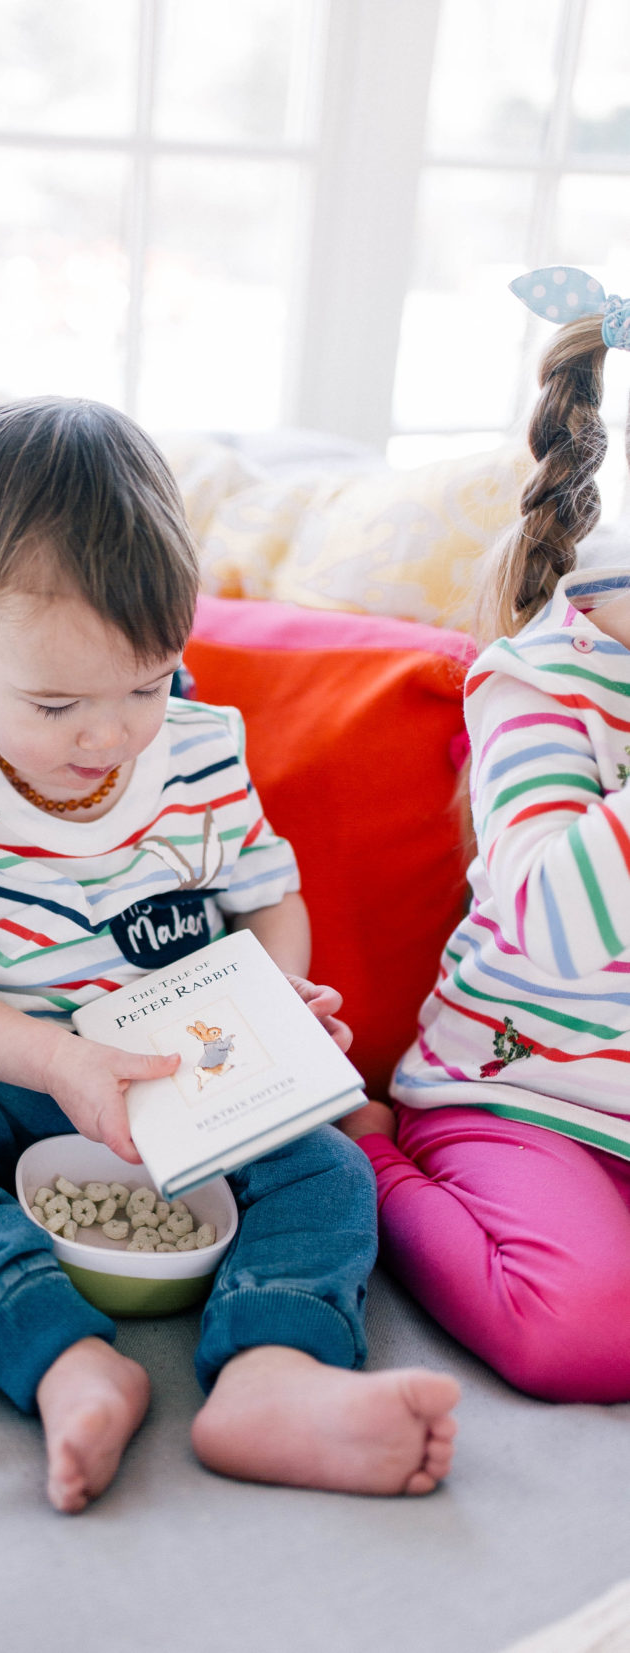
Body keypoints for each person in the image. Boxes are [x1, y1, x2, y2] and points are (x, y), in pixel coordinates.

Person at [0, 396, 459, 1512]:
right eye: (55, 704)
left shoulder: (199, 748)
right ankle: (55, 1353)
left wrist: (277, 999)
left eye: (145, 684)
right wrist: (54, 1064)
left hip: (173, 1070)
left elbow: (267, 898)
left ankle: (269, 1374)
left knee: (329, 1171)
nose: (106, 737)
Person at [340, 267, 630, 1404]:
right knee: (584, 1338)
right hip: (517, 1094)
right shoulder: (537, 684)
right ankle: (364, 1156)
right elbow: (557, 925)